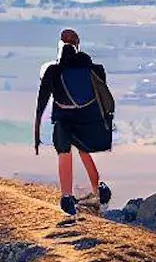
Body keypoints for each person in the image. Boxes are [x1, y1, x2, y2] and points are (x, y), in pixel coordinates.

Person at [35, 28, 113, 215]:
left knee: (64, 153)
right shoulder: (93, 68)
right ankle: (98, 188)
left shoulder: (53, 70)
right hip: (86, 118)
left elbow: (42, 101)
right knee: (84, 150)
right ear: (77, 45)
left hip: (63, 118)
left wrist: (36, 132)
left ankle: (67, 197)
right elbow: (103, 94)